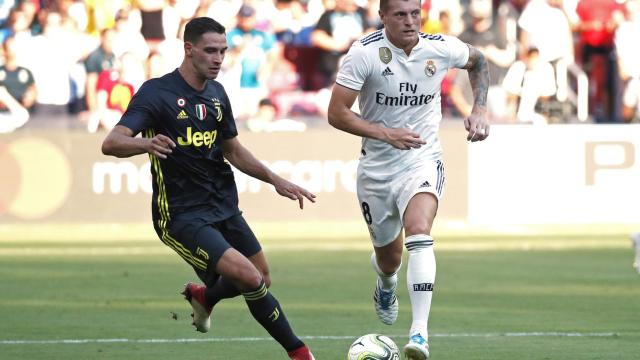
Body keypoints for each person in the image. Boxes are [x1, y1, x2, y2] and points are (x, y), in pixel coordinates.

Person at [101, 17, 316, 360]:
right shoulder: (157, 93)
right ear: (189, 49)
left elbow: (232, 150)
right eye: (210, 51)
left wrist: (276, 179)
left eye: (223, 51)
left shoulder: (217, 93)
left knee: (261, 276)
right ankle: (300, 353)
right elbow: (111, 143)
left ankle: (206, 298)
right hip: (182, 215)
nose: (218, 58)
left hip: (223, 206)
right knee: (248, 277)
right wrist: (147, 145)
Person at [327, 0, 490, 358]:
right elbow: (336, 113)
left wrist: (479, 108)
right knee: (389, 259)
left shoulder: (439, 47)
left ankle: (419, 334)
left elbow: (478, 60)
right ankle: (386, 284)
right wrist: (386, 134)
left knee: (419, 229)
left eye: (414, 13)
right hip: (377, 168)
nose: (410, 21)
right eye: (400, 14)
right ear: (383, 16)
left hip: (422, 158)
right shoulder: (363, 54)